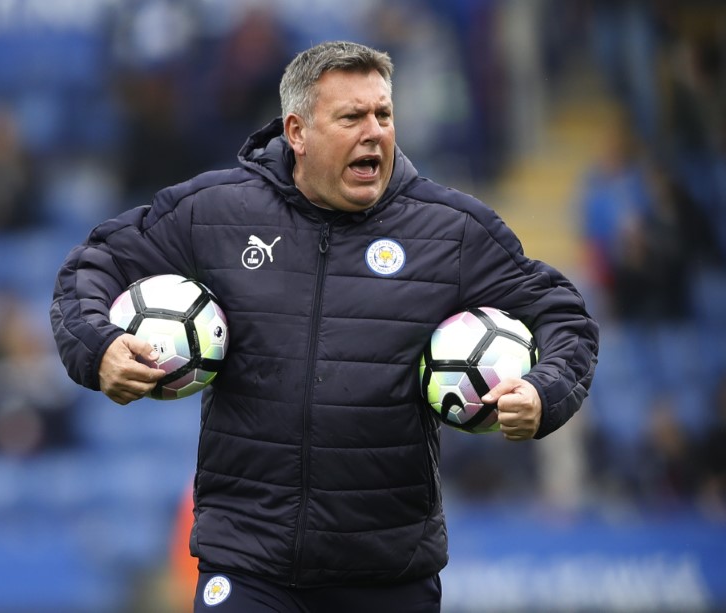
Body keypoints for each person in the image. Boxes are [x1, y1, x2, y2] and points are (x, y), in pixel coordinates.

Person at [51, 41, 599, 612]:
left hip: (388, 576)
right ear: (297, 131)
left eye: (383, 115)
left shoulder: (452, 231)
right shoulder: (215, 211)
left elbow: (563, 315)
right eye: (351, 117)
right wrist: (102, 346)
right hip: (248, 564)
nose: (375, 132)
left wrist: (543, 391)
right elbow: (94, 266)